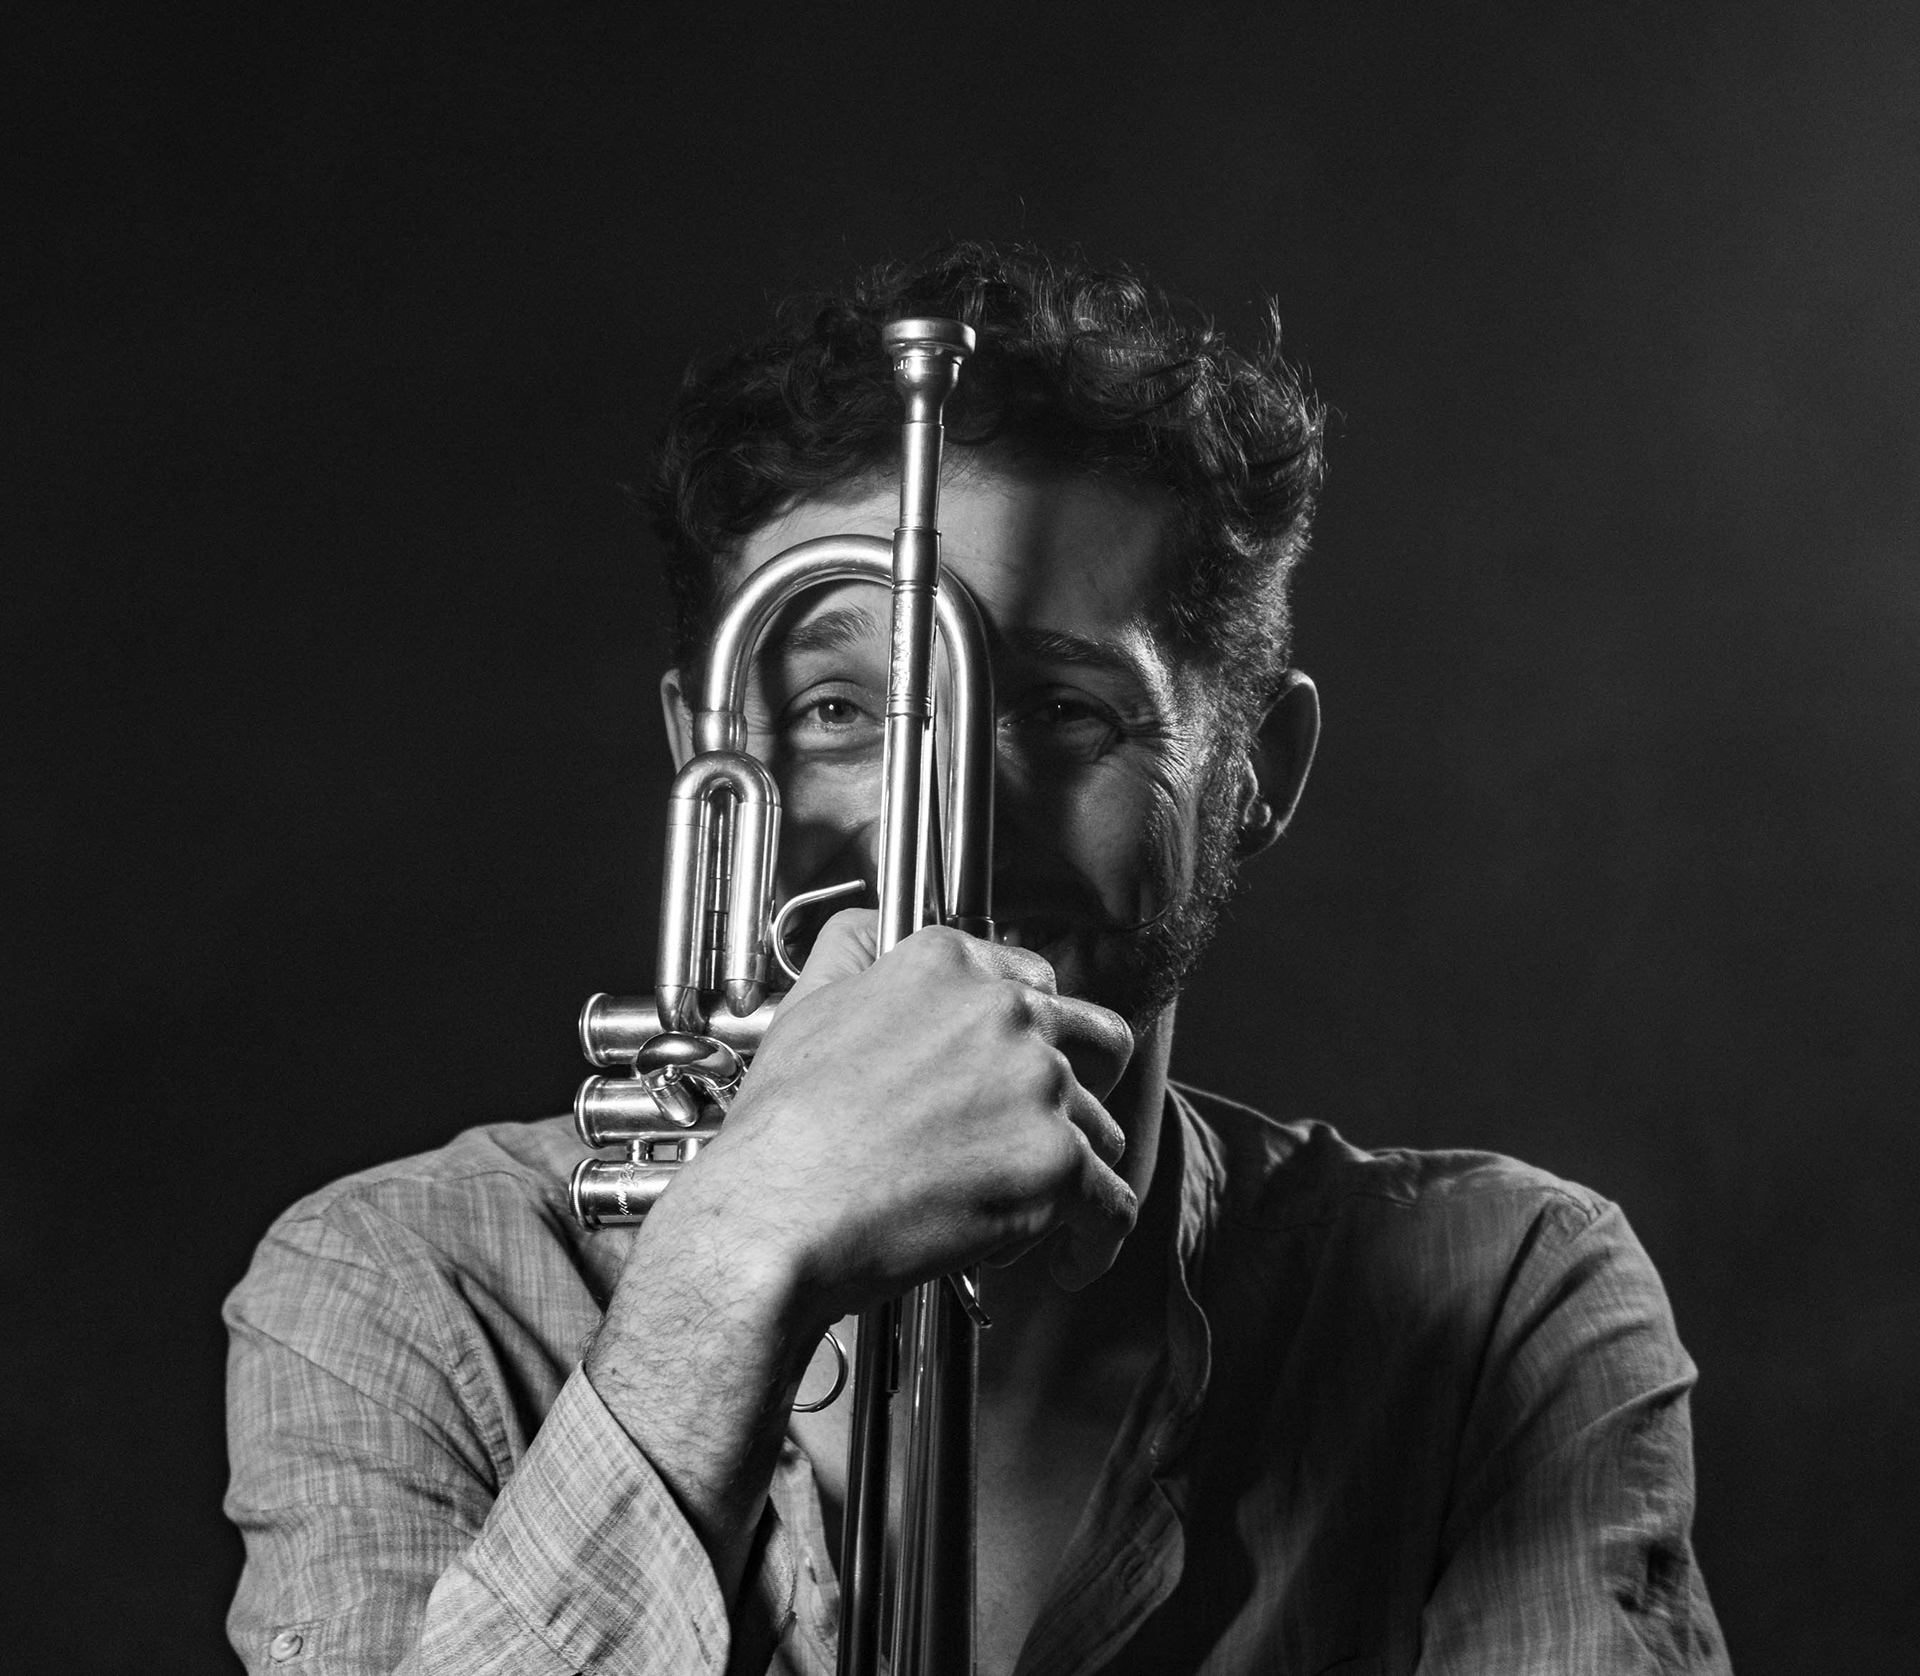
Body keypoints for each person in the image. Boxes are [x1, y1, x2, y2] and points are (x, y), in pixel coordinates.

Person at [224, 243, 1730, 1675]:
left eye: (1066, 712)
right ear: (705, 755)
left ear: (1254, 773)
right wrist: (734, 1267)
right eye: (837, 712)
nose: (933, 831)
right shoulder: (396, 1295)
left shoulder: (1508, 1308)